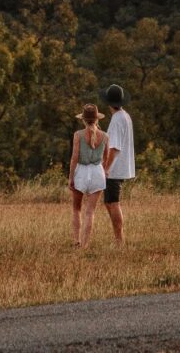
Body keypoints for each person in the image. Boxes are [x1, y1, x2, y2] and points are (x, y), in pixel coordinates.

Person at [68, 103, 107, 249]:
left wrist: (71, 177)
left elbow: (74, 157)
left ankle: (77, 241)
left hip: (81, 172)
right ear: (97, 119)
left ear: (83, 120)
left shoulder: (78, 135)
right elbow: (106, 158)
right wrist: (103, 170)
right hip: (97, 172)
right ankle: (85, 245)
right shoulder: (104, 136)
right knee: (90, 211)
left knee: (76, 208)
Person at [102, 83, 135, 245]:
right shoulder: (125, 116)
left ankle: (119, 240)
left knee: (113, 202)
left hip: (114, 169)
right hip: (119, 167)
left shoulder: (116, 120)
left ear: (109, 103)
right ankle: (118, 238)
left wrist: (106, 168)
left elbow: (114, 147)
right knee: (108, 201)